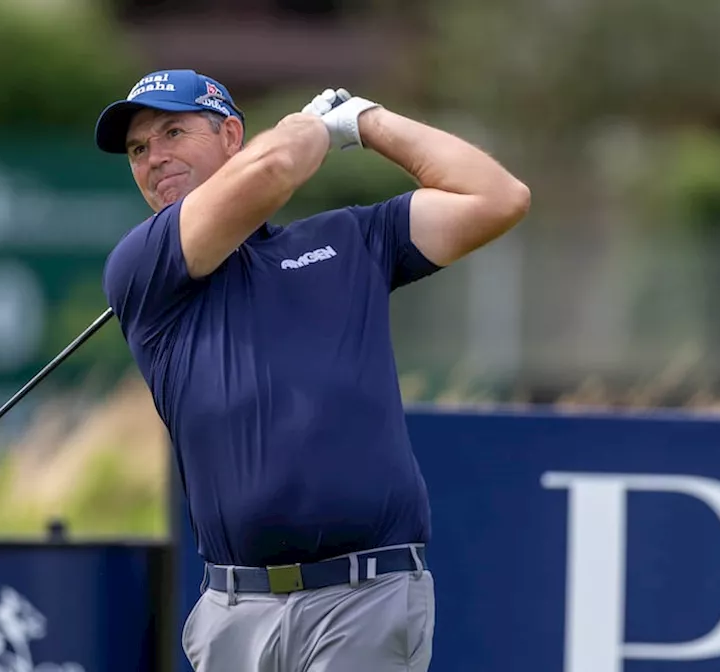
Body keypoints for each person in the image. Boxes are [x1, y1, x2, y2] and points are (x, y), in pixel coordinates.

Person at [95, 69, 530, 671]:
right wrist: (311, 129)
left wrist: (365, 122)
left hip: (365, 599)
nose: (154, 157)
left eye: (173, 131)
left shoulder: (350, 240)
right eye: (138, 149)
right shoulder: (144, 268)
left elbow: (497, 198)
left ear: (230, 136)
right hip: (232, 616)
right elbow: (272, 170)